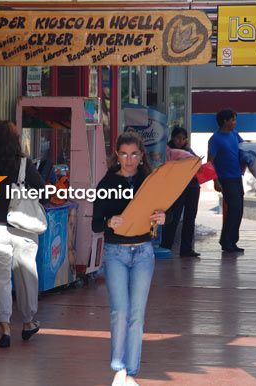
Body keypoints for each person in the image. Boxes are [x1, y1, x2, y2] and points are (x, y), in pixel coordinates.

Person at [92, 131, 166, 386]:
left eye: (134, 154)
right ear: (117, 155)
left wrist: (160, 218)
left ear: (141, 155)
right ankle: (118, 367)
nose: (129, 159)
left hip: (144, 251)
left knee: (137, 313)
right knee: (119, 311)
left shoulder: (150, 180)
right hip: (115, 254)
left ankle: (131, 371)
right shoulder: (107, 183)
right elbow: (94, 224)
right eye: (124, 154)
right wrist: (109, 221)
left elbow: (158, 214)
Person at [0, 120, 46, 348]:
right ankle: (27, 322)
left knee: (0, 281)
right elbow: (41, 192)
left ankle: (5, 327)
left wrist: (0, 196)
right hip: (23, 229)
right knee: (26, 278)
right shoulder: (23, 164)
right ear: (15, 141)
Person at [208, 109, 245, 252]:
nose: (235, 123)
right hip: (225, 178)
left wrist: (245, 164)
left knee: (239, 209)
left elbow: (244, 149)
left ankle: (231, 240)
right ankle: (226, 241)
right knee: (234, 207)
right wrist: (215, 181)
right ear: (225, 121)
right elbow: (210, 162)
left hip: (237, 177)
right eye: (233, 120)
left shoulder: (235, 135)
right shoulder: (215, 139)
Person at [161, 126, 201, 257]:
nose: (181, 141)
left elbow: (197, 165)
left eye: (183, 138)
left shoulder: (188, 151)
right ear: (173, 137)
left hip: (192, 187)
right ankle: (166, 245)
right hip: (176, 188)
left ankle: (186, 248)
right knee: (173, 217)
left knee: (190, 217)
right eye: (178, 138)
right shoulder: (167, 150)